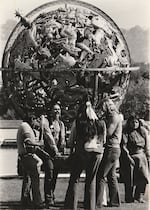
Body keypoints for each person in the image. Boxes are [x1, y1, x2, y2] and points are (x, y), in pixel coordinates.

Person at [64, 98, 106, 210]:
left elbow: (71, 140)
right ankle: (90, 207)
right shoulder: (101, 123)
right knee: (91, 180)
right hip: (97, 152)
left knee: (75, 178)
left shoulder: (78, 122)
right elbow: (104, 140)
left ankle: (71, 206)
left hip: (83, 152)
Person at [96, 98, 122, 208]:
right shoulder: (115, 116)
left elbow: (109, 132)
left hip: (111, 148)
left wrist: (98, 130)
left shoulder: (113, 117)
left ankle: (97, 202)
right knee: (111, 176)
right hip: (115, 149)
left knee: (101, 175)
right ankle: (115, 201)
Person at [16, 115, 45, 209]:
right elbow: (27, 142)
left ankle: (25, 201)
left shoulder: (26, 127)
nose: (37, 123)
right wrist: (38, 144)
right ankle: (37, 202)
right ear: (32, 119)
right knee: (35, 180)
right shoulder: (25, 126)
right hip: (27, 157)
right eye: (36, 120)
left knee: (27, 180)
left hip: (27, 156)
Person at [41, 103, 66, 208]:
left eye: (59, 109)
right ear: (51, 111)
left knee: (55, 175)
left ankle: (52, 195)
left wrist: (62, 149)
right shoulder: (46, 122)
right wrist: (55, 149)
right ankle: (48, 199)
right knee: (49, 174)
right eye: (55, 109)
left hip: (58, 154)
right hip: (48, 153)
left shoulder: (61, 124)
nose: (57, 111)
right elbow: (48, 137)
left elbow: (63, 138)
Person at [121, 115, 150, 203]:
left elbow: (146, 145)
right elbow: (124, 146)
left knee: (143, 177)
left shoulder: (142, 131)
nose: (134, 124)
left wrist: (147, 155)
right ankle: (129, 197)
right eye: (132, 122)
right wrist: (128, 157)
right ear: (129, 123)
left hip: (141, 156)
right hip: (131, 156)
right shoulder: (126, 133)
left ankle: (139, 196)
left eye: (136, 122)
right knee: (130, 178)